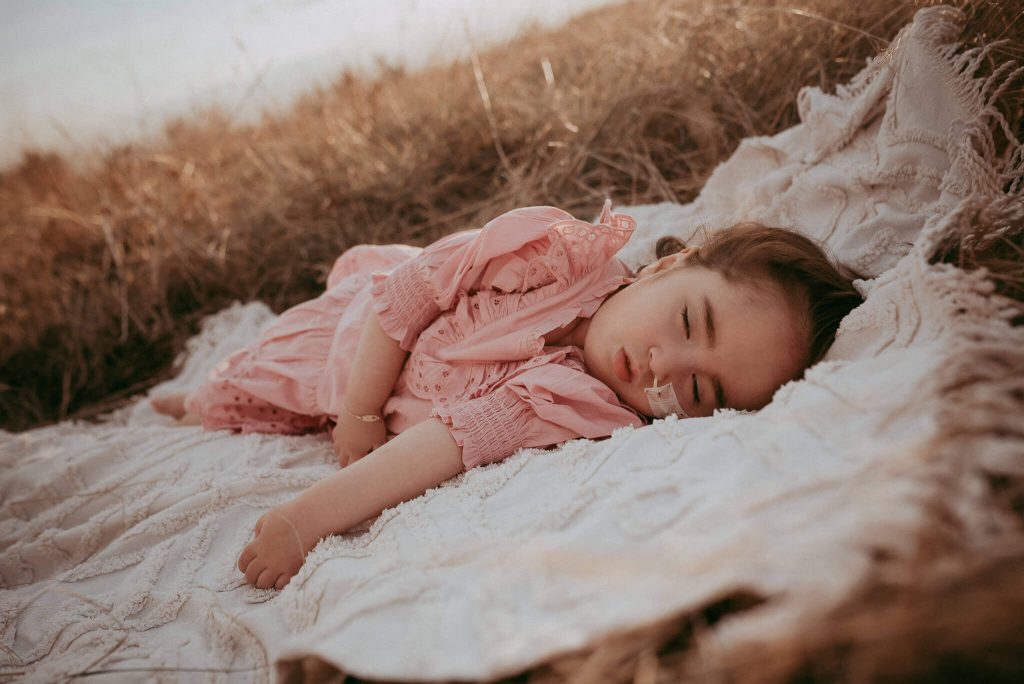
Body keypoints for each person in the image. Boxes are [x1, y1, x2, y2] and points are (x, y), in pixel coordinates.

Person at [151, 201, 862, 590]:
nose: (662, 366)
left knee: (254, 408)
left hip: (355, 396)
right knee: (249, 376)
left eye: (698, 390)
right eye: (685, 322)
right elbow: (413, 290)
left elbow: (446, 444)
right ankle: (189, 399)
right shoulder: (555, 255)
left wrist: (307, 519)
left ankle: (197, 403)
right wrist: (362, 410)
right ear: (667, 267)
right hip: (360, 336)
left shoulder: (577, 404)